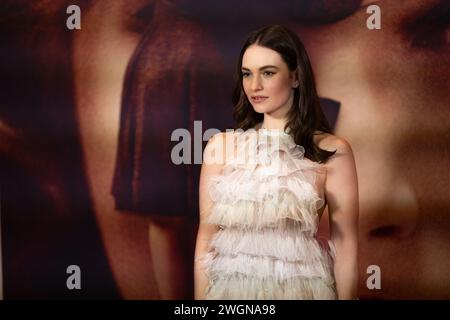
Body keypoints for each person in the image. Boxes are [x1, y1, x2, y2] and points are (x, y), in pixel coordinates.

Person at [194, 25, 359, 299]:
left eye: (268, 73)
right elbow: (206, 241)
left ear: (295, 77)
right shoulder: (221, 146)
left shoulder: (332, 150)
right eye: (247, 74)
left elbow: (345, 245)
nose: (254, 86)